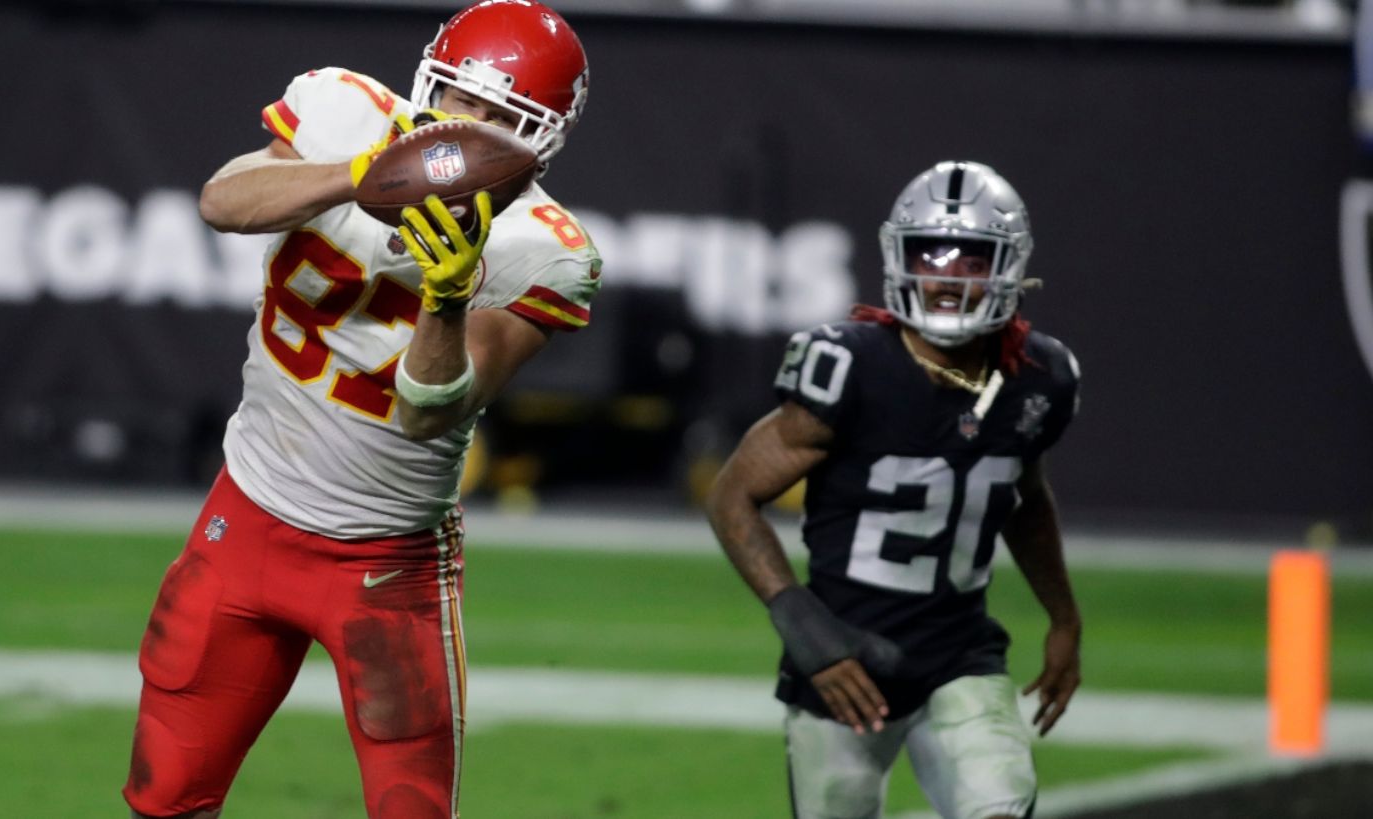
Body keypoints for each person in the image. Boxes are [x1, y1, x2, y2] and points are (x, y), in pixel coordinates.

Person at [121, 3, 599, 818]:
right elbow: (221, 201)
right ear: (427, 84)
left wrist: (447, 299)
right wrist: (362, 173)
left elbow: (429, 413)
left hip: (387, 563)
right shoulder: (345, 109)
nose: (466, 129)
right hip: (248, 512)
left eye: (500, 119)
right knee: (164, 798)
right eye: (459, 100)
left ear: (545, 137)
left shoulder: (547, 247)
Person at [706, 161, 1082, 819]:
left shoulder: (1039, 376)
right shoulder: (849, 365)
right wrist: (805, 627)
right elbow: (730, 495)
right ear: (899, 258)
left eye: (970, 259)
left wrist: (1063, 615)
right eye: (930, 256)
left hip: (960, 655)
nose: (946, 276)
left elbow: (1023, 496)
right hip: (843, 661)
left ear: (1009, 266)